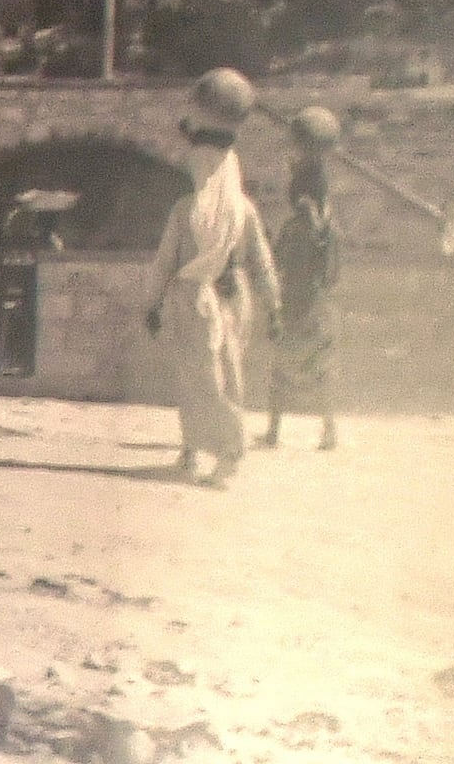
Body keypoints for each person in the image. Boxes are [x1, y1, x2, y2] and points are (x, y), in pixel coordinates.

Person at [144, 67, 282, 486]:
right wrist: (273, 306)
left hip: (200, 298)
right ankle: (190, 452)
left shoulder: (190, 209)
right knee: (203, 377)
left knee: (212, 379)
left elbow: (164, 265)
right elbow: (263, 266)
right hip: (217, 297)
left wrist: (151, 304)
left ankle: (229, 455)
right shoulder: (237, 208)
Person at [264, 103, 343, 453]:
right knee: (319, 368)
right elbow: (333, 273)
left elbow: (277, 262)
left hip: (297, 301)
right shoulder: (329, 226)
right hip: (317, 301)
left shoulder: (301, 224)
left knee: (282, 368)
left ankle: (274, 432)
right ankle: (329, 432)